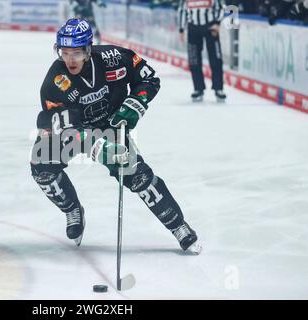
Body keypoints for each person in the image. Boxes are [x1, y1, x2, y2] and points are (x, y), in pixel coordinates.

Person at [30, 18, 202, 254]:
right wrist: (97, 146)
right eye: (64, 52)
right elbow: (68, 129)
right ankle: (72, 209)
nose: (70, 59)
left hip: (112, 126)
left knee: (140, 177)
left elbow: (149, 78)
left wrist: (135, 103)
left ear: (88, 49)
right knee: (42, 167)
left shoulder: (113, 57)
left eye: (77, 53)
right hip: (73, 132)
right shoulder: (55, 81)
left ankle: (178, 226)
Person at [178, 0, 227, 102]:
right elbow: (182, 10)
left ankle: (218, 88)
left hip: (210, 26)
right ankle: (198, 89)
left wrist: (217, 23)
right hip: (193, 27)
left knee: (216, 59)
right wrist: (181, 29)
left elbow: (221, 7)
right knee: (194, 59)